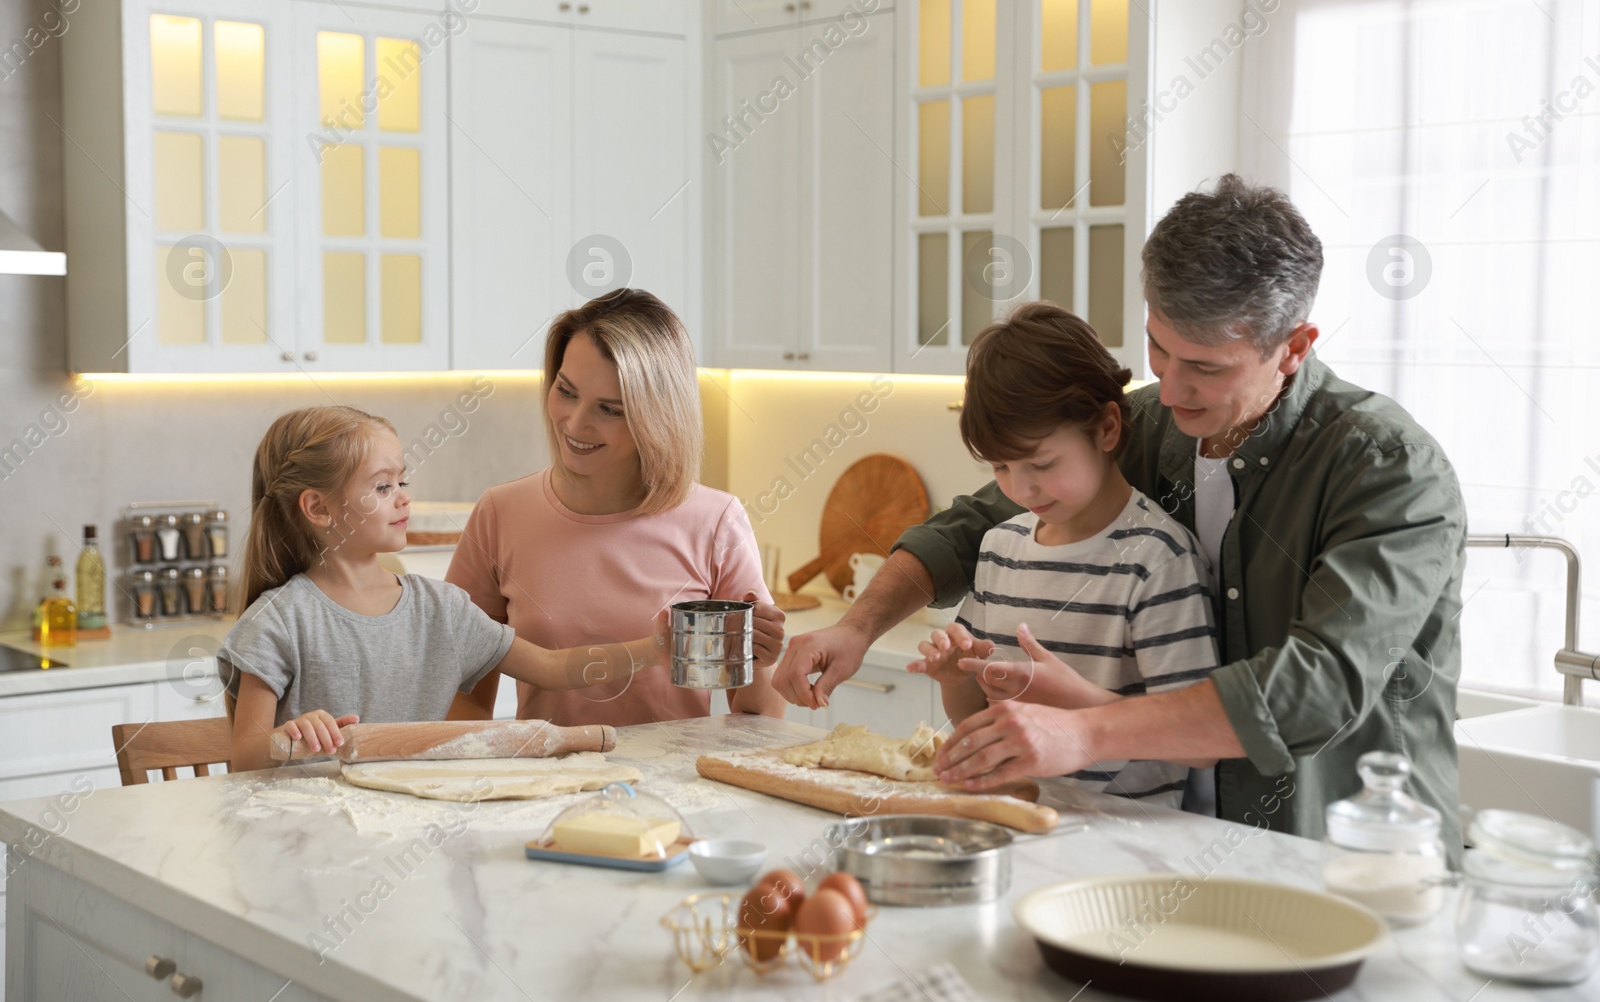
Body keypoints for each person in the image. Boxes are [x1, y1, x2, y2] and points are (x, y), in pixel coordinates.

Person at [775, 174, 1467, 856]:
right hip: (1198, 847)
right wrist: (858, 625)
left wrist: (1082, 731)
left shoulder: (1389, 469)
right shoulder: (1149, 422)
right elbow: (975, 524)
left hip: (1350, 859)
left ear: (1293, 346)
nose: (1167, 387)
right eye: (1157, 346)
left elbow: (1313, 686)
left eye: (1205, 365)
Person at [219, 406, 668, 772]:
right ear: (318, 508)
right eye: (382, 486)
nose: (403, 497)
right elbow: (245, 758)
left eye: (402, 481)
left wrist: (658, 648)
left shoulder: (441, 609)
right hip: (312, 842)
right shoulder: (278, 620)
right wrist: (288, 740)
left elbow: (553, 668)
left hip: (414, 823)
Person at [907, 303, 1218, 810]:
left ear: (1107, 429)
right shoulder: (1000, 549)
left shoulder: (1157, 561)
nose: (1020, 487)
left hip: (1125, 850)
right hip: (1015, 825)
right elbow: (979, 724)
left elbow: (1195, 743)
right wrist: (955, 679)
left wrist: (1071, 698)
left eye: (1042, 463)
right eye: (1001, 467)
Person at [448, 289, 786, 725]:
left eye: (609, 409)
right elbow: (462, 692)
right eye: (566, 391)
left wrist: (763, 659)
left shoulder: (716, 522)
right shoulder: (500, 514)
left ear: (657, 416)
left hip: (678, 786)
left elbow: (758, 718)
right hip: (543, 785)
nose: (575, 423)